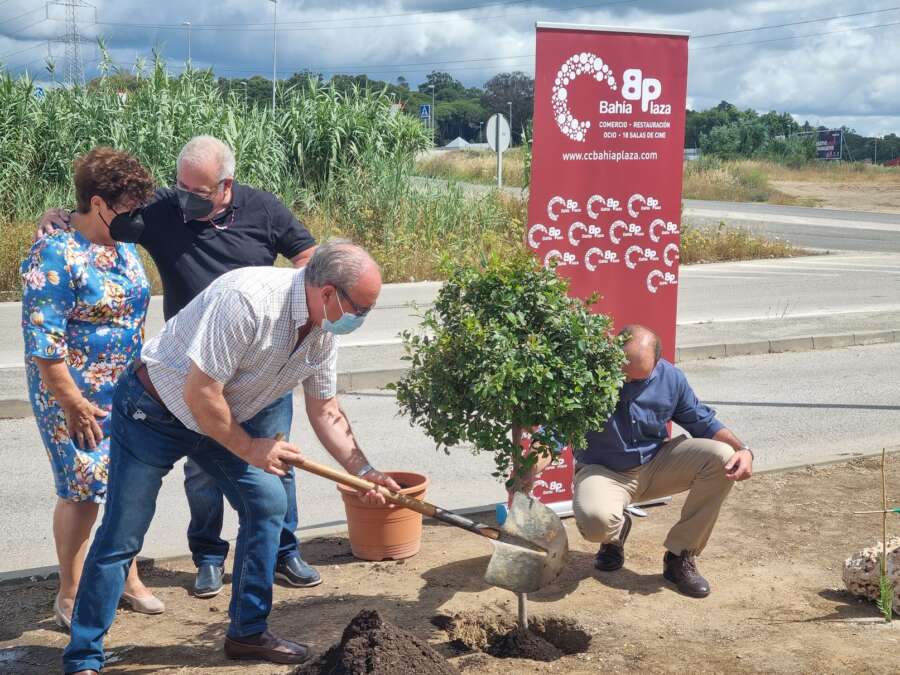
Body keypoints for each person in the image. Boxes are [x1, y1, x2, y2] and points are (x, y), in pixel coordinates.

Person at [63, 240, 400, 674]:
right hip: (154, 411)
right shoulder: (247, 302)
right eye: (362, 309)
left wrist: (365, 472)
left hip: (219, 419)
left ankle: (246, 632)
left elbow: (326, 409)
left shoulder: (322, 330)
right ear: (330, 292)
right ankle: (84, 656)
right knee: (124, 532)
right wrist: (252, 448)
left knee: (268, 503)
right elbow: (200, 394)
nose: (362, 319)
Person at [39, 135, 321, 599]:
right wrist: (60, 216)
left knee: (273, 459)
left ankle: (283, 551)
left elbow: (309, 257)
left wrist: (292, 296)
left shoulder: (264, 210)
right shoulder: (167, 208)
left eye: (198, 191)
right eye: (180, 186)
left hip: (259, 362)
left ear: (225, 186)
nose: (183, 197)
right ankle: (208, 556)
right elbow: (101, 214)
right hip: (196, 368)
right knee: (203, 469)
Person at [21, 147, 164, 629]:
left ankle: (126, 576)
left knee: (127, 481)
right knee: (82, 489)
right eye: (129, 208)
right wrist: (73, 403)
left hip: (123, 388)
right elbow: (43, 341)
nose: (136, 218)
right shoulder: (55, 250)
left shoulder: (121, 244)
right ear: (98, 202)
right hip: (70, 394)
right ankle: (71, 590)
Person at [526, 324, 754, 598]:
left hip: (656, 463)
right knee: (596, 522)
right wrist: (529, 470)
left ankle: (679, 557)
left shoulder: (671, 378)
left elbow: (703, 422)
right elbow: (555, 433)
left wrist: (744, 450)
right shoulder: (584, 378)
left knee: (723, 458)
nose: (627, 383)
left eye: (638, 380)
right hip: (604, 471)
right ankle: (614, 533)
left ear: (657, 362)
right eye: (622, 375)